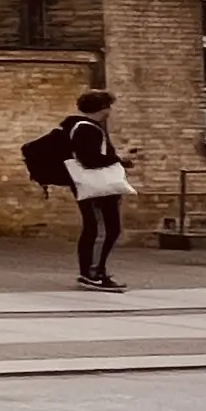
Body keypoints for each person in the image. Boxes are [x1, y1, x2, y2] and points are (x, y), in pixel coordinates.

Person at [63, 87, 131, 292]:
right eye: (108, 106)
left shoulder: (87, 127)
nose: (110, 110)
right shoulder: (87, 129)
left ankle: (96, 271)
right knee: (101, 230)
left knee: (105, 229)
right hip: (97, 190)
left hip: (98, 188)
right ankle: (91, 273)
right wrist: (120, 158)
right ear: (102, 108)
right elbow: (90, 159)